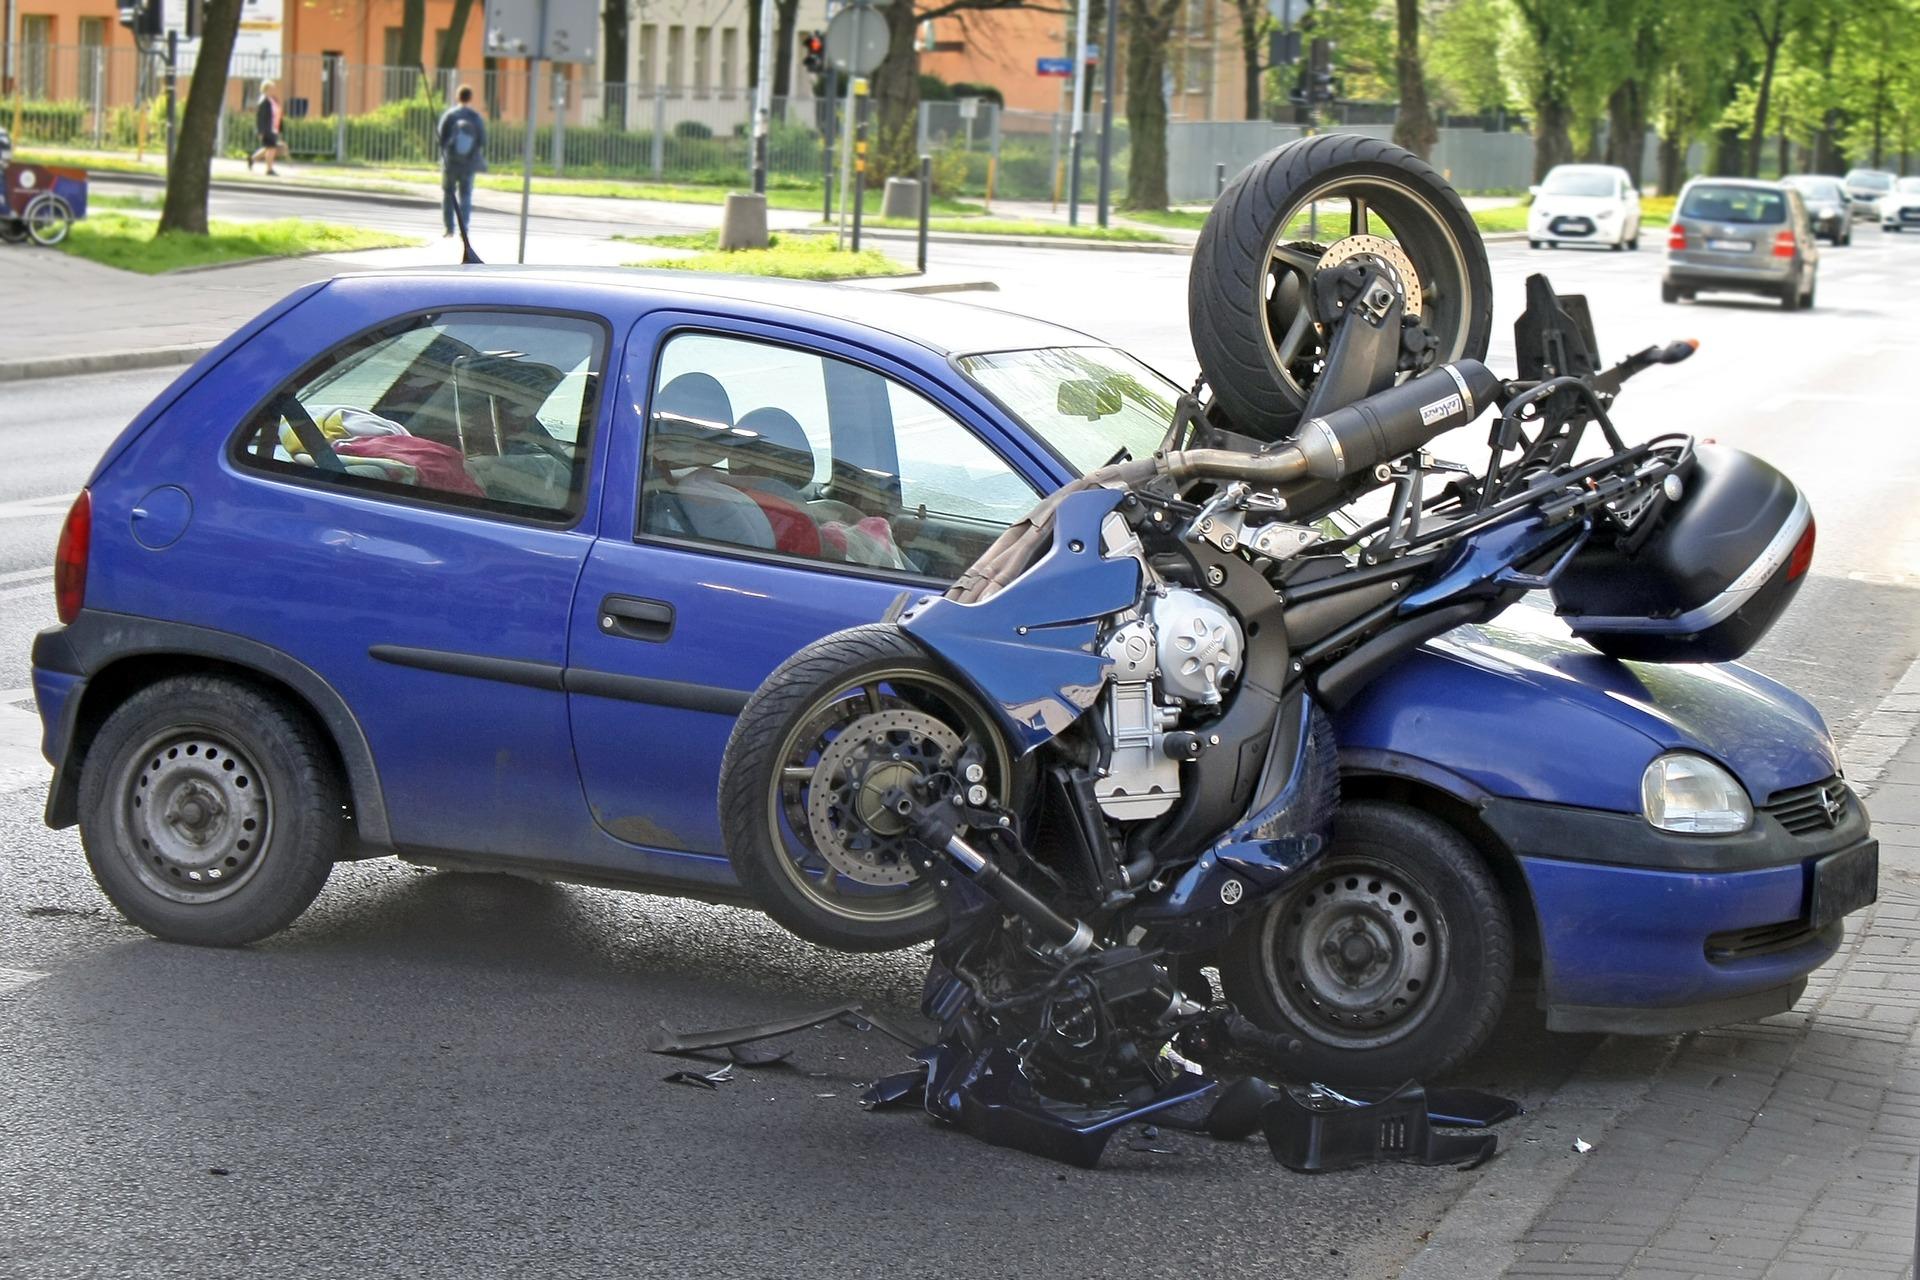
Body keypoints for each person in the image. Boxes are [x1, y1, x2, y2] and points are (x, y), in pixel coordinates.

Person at [437, 84, 487, 240]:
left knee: (449, 194)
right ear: (470, 98)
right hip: (468, 164)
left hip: (450, 163)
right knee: (466, 195)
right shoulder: (475, 117)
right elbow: (482, 140)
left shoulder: (450, 116)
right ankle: (463, 229)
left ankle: (449, 228)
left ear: (457, 97)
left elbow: (441, 138)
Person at [248, 81, 282, 175]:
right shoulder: (263, 101)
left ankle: (252, 159)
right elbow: (260, 118)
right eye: (271, 88)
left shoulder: (272, 100)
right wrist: (261, 131)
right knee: (271, 148)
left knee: (269, 148)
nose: (273, 90)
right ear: (266, 89)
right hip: (267, 129)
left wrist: (279, 128)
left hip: (273, 128)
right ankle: (269, 169)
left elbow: (277, 114)